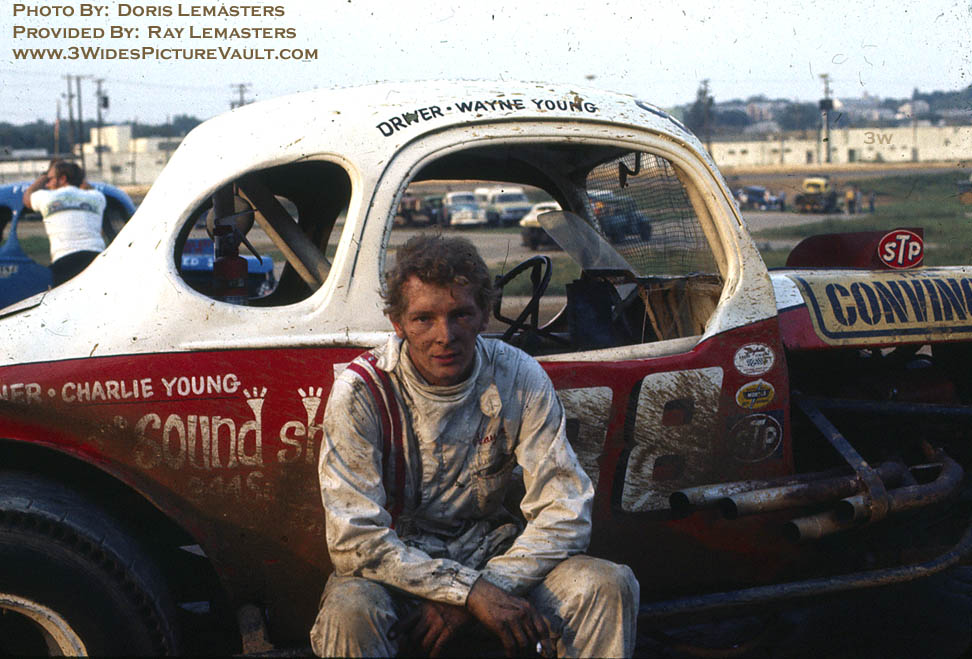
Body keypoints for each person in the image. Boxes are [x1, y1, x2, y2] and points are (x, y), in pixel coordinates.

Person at [310, 234, 639, 658]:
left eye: (461, 314)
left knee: (607, 585)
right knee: (350, 611)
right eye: (423, 318)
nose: (444, 335)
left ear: (485, 314)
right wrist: (466, 592)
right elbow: (353, 539)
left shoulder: (517, 375)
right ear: (397, 323)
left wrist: (484, 590)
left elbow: (566, 511)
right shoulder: (362, 392)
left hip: (495, 557)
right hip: (398, 570)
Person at [22, 159, 106, 286]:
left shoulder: (46, 197)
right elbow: (88, 188)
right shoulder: (97, 197)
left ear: (62, 179)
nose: (47, 184)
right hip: (96, 258)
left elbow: (27, 198)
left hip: (65, 260)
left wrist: (43, 177)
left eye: (50, 179)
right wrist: (76, 178)